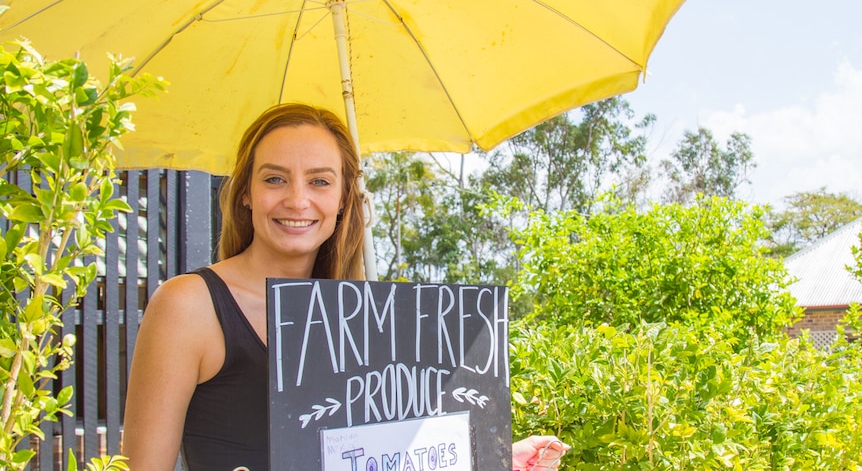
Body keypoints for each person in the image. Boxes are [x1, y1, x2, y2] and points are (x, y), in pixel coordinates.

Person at [122, 103, 568, 470]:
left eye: (319, 181)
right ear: (245, 192)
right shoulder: (189, 306)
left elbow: (391, 455)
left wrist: (491, 457)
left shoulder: (363, 318)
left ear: (342, 200)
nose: (297, 199)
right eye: (274, 178)